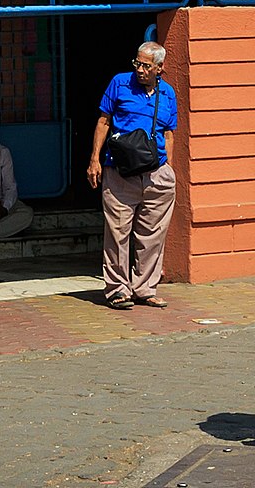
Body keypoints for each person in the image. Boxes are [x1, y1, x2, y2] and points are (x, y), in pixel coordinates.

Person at [86, 39, 179, 309]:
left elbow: (169, 132)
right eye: (137, 63)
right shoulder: (120, 83)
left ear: (160, 68)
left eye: (146, 66)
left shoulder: (169, 94)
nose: (140, 69)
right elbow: (104, 120)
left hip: (156, 174)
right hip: (119, 171)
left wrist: (168, 168)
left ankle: (145, 288)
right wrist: (95, 160)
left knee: (153, 234)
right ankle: (117, 290)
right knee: (117, 232)